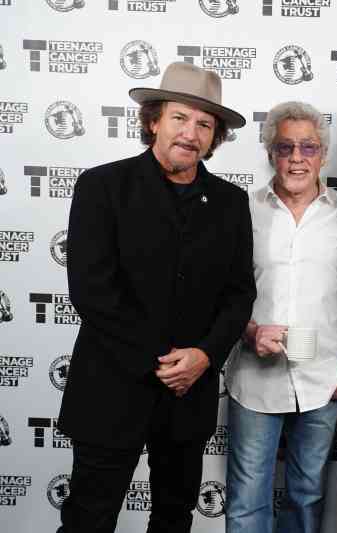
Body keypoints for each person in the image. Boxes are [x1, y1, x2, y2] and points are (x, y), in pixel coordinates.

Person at [56, 61, 256, 533]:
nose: (191, 133)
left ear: (215, 137)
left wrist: (205, 356)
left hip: (189, 397)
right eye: (180, 118)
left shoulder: (230, 203)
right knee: (89, 518)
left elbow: (239, 293)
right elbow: (93, 290)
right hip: (111, 389)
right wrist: (164, 360)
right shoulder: (102, 187)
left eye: (204, 124)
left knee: (174, 516)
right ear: (153, 121)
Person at [224, 101, 337, 533]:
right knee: (247, 499)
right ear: (270, 154)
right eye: (285, 147)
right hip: (254, 376)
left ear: (323, 154)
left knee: (307, 496)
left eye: (308, 147)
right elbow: (225, 293)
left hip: (323, 374)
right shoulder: (243, 211)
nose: (297, 158)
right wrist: (248, 331)